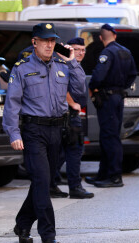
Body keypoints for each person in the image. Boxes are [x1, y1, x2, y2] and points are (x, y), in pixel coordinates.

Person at [2, 23, 86, 243]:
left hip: (58, 130)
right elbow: (12, 103)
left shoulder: (63, 65)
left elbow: (80, 92)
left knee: (43, 181)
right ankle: (48, 235)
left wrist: (73, 62)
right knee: (42, 180)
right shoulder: (21, 68)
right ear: (34, 42)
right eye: (45, 40)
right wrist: (13, 133)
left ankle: (22, 225)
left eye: (52, 40)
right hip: (33, 131)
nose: (49, 45)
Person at [85, 24, 137, 188]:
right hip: (118, 97)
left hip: (107, 98)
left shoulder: (107, 52)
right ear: (115, 35)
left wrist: (92, 88)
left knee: (109, 137)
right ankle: (103, 175)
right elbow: (132, 74)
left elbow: (98, 75)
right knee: (109, 136)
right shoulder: (126, 51)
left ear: (101, 38)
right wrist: (121, 87)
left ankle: (114, 176)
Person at [51, 37, 94, 199]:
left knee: (60, 153)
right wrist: (72, 103)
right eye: (77, 49)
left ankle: (52, 184)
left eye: (83, 49)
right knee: (74, 151)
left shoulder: (74, 65)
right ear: (68, 49)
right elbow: (61, 85)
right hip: (68, 114)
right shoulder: (64, 64)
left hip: (69, 115)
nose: (81, 53)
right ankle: (75, 187)